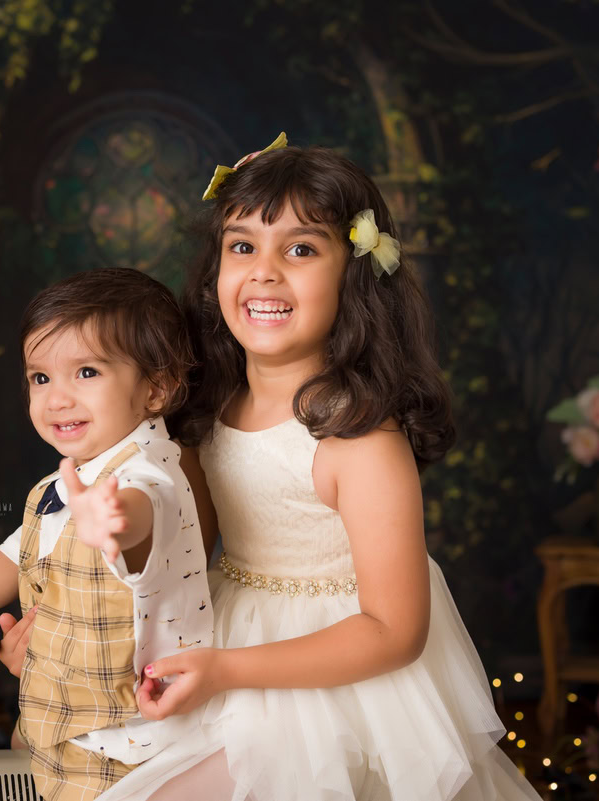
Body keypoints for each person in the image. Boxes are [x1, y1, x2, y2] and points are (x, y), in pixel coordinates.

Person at [90, 137, 543, 800]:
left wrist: (226, 669)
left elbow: (394, 631)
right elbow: (183, 550)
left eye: (300, 249)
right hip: (223, 638)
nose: (264, 272)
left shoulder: (358, 438)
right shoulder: (210, 409)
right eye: (242, 246)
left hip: (336, 683)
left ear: (352, 276)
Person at [0, 267, 213, 801]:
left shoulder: (148, 473)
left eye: (86, 372)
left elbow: (143, 509)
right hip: (55, 723)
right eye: (40, 378)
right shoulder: (60, 485)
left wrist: (112, 519)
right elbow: (14, 555)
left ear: (156, 387)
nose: (56, 398)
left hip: (126, 746)